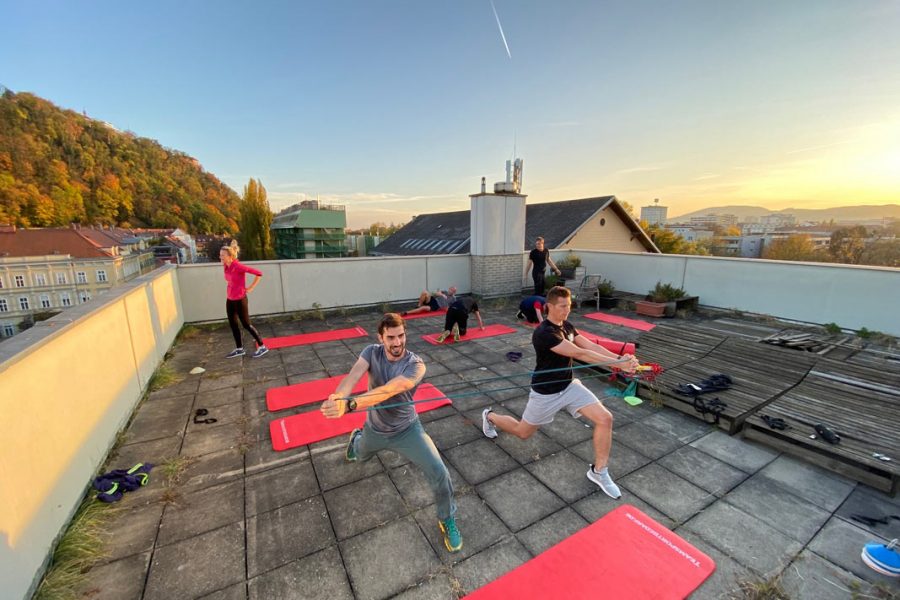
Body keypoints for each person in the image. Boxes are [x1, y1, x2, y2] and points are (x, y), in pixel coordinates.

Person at [321, 313, 462, 552]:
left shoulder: (415, 364)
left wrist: (352, 405)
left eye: (401, 336)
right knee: (359, 455)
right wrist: (337, 398)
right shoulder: (371, 352)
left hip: (407, 430)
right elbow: (353, 376)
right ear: (381, 337)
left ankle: (446, 517)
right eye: (391, 337)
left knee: (439, 471)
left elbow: (392, 389)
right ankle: (356, 439)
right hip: (374, 429)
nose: (397, 343)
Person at [481, 286, 639, 499]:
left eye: (569, 306)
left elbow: (589, 344)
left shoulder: (567, 326)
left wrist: (620, 358)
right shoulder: (544, 333)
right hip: (545, 392)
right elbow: (579, 353)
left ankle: (599, 472)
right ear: (550, 307)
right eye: (563, 306)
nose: (567, 310)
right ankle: (489, 416)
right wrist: (617, 364)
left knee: (605, 419)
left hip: (569, 386)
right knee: (522, 432)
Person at [220, 241, 268, 358]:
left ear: (230, 256)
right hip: (230, 299)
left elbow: (259, 273)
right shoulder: (226, 266)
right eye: (220, 255)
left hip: (240, 300)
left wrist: (250, 287)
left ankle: (262, 346)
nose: (220, 257)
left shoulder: (238, 266)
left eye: (222, 255)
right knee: (233, 325)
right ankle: (239, 348)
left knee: (246, 325)